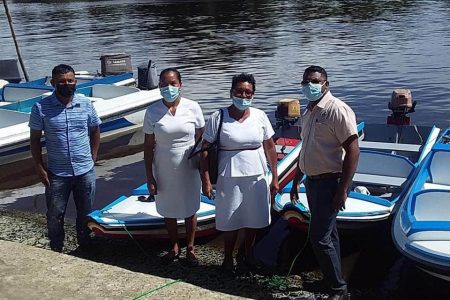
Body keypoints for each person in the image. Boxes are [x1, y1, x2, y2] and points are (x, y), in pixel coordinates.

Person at [290, 66, 359, 300]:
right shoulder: (308, 111)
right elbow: (306, 149)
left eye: (316, 81)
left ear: (326, 84)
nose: (311, 85)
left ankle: (338, 290)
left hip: (331, 182)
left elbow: (352, 149)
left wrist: (342, 190)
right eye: (307, 81)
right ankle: (334, 281)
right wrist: (296, 179)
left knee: (319, 238)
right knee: (330, 236)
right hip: (312, 181)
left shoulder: (336, 109)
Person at [201, 73, 279, 272]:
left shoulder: (260, 115)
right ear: (231, 92)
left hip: (257, 173)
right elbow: (204, 150)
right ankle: (227, 258)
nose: (243, 96)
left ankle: (248, 254)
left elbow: (270, 147)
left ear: (253, 95)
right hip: (229, 175)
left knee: (253, 217)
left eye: (248, 92)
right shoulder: (218, 117)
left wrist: (275, 178)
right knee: (230, 218)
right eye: (239, 91)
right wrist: (206, 180)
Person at [29, 64, 101, 252]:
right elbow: (35, 140)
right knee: (55, 214)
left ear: (75, 82)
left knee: (86, 213)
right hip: (57, 173)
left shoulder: (86, 104)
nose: (66, 84)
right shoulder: (41, 107)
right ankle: (56, 248)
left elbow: (95, 131)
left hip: (85, 170)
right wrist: (39, 167)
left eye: (70, 81)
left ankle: (85, 245)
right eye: (61, 82)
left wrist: (93, 156)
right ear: (53, 83)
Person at [143, 68, 205, 265]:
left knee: (190, 207)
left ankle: (191, 247)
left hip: (188, 163)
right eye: (163, 84)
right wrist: (149, 177)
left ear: (180, 85)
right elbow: (147, 147)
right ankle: (174, 245)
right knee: (168, 207)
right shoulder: (152, 111)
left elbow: (201, 138)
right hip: (163, 163)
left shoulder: (193, 107)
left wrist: (204, 170)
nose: (168, 88)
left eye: (172, 83)